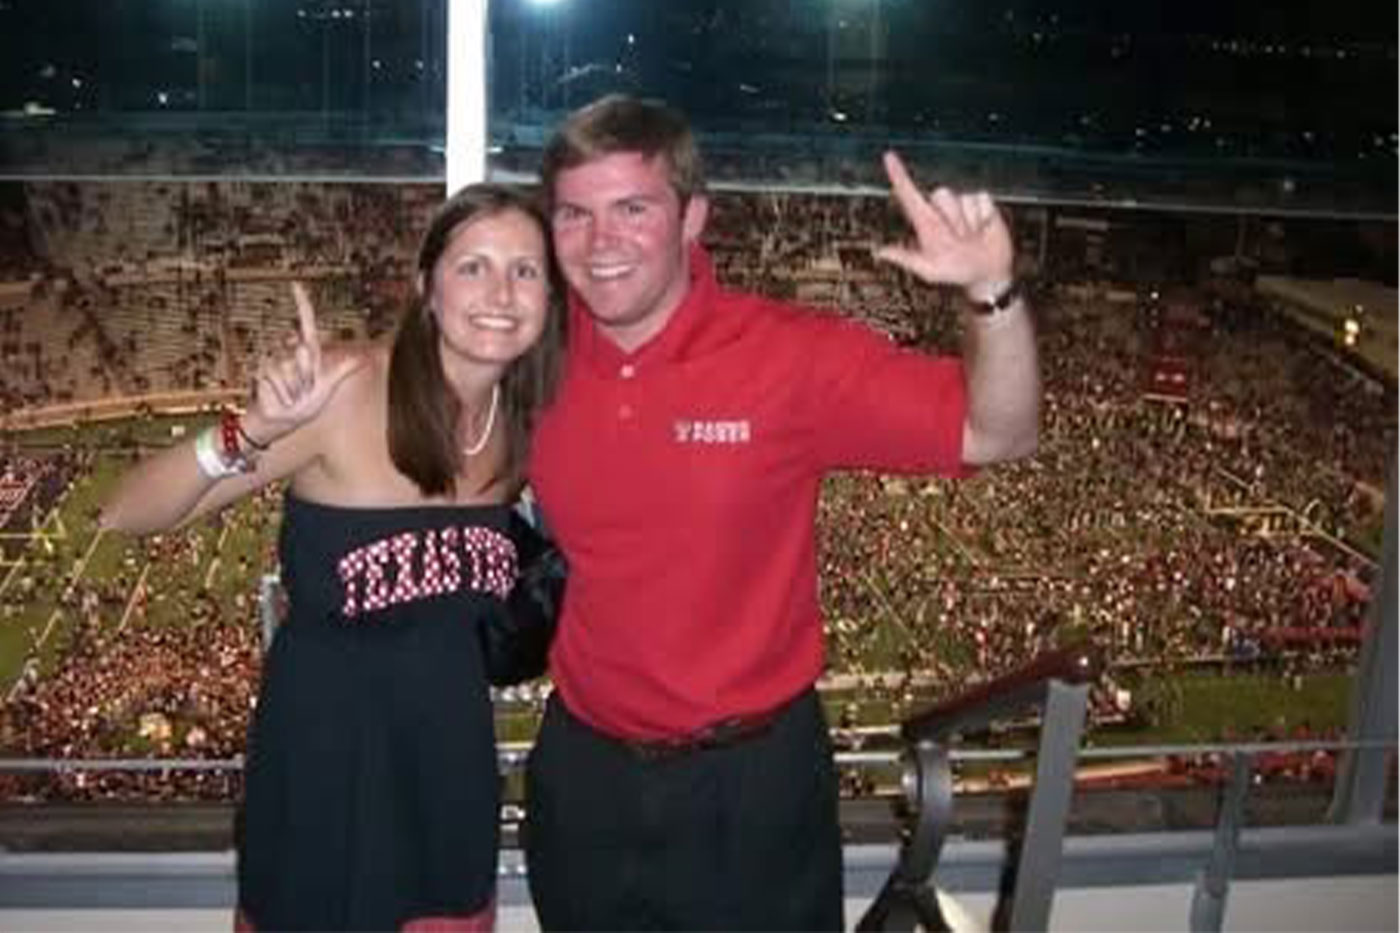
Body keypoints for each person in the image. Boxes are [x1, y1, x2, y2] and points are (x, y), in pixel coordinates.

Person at [522, 94, 1040, 930]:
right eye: (574, 214)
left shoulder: (790, 355)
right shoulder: (530, 353)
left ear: (693, 218)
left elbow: (998, 431)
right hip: (584, 776)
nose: (599, 241)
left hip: (751, 782)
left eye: (632, 208)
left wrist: (990, 293)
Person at [100, 183, 565, 931]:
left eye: (526, 270)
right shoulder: (349, 388)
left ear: (550, 295)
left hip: (448, 764)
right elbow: (128, 510)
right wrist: (249, 427)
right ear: (426, 287)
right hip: (323, 764)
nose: (500, 293)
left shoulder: (519, 432)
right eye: (473, 266)